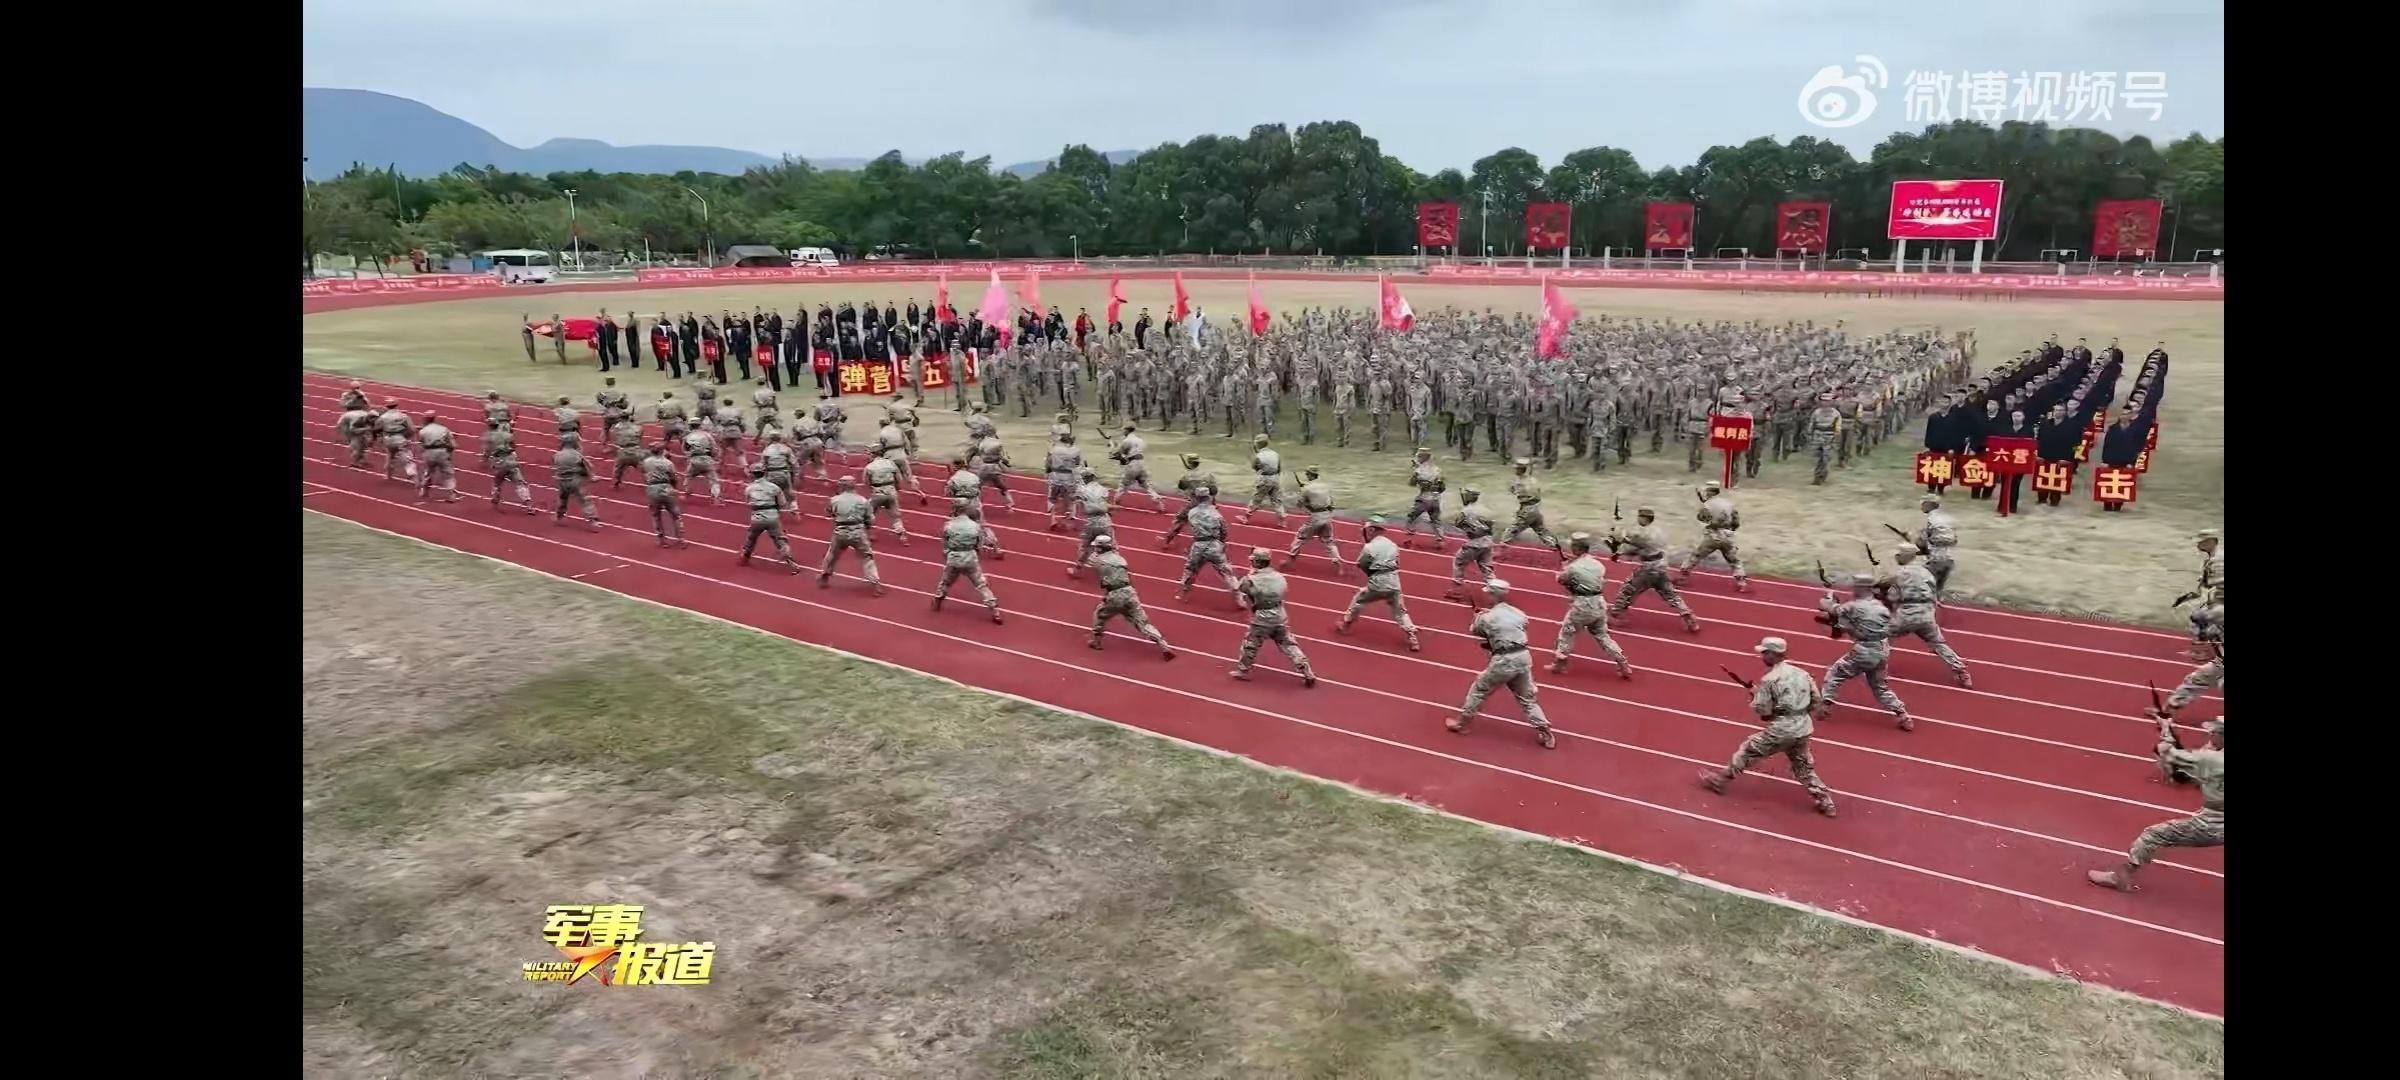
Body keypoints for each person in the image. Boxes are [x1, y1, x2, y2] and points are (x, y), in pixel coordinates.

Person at [1698, 637, 1837, 817]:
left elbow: (1764, 712)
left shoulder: (1770, 679)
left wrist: (1755, 696)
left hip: (1781, 729)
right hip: (1803, 726)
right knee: (1803, 766)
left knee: (1748, 750)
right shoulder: (1802, 673)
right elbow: (1815, 700)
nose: (1762, 656)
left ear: (1774, 654)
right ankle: (1825, 800)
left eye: (1765, 652)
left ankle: (1720, 780)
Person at [2087, 717, 2223, 891]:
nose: (2210, 735)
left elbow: (2167, 753)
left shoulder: (2211, 759)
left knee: (2153, 835)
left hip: (2213, 826)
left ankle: (2120, 877)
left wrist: (2166, 730)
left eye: (2213, 732)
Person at [1448, 579, 1556, 749]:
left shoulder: (1487, 618)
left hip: (1504, 660)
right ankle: (1544, 730)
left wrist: (1478, 617)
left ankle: (1461, 723)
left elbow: (1476, 631)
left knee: (1479, 689)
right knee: (1526, 698)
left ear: (1491, 594)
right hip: (1523, 656)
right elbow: (1517, 628)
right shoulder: (1518, 613)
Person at [1816, 573, 1914, 731]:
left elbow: (1829, 608)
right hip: (1882, 649)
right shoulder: (1879, 606)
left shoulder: (1855, 606)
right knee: (1879, 687)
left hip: (1864, 651)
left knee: (1834, 673)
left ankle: (1825, 705)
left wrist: (1827, 598)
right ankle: (1901, 714)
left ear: (1861, 587)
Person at [1881, 548, 1971, 686]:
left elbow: (1887, 588)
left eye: (1899, 554)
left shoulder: (1903, 573)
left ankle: (1879, 670)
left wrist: (1877, 583)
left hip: (1908, 613)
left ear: (1905, 556)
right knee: (1938, 644)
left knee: (1880, 636)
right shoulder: (1927, 573)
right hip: (1927, 614)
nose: (1896, 556)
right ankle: (1960, 670)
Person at [1230, 548, 1318, 687]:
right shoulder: (1279, 576)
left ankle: (1243, 670)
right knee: (1288, 644)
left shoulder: (1252, 580)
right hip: (1279, 615)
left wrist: (1251, 573)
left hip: (1262, 618)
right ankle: (1305, 669)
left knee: (1250, 644)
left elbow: (1240, 587)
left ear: (1257, 562)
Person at [1606, 507, 1701, 633]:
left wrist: (1617, 540)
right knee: (1671, 595)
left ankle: (1615, 614)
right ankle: (1688, 615)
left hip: (1647, 569)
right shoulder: (1658, 531)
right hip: (1661, 566)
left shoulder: (1643, 534)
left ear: (1645, 519)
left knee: (1627, 590)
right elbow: (1639, 547)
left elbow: (1630, 543)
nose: (1638, 519)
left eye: (1640, 517)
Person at [1551, 533, 1632, 679]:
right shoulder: (1598, 565)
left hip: (1582, 605)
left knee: (1567, 633)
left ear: (1576, 548)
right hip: (1599, 603)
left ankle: (1560, 663)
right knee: (1603, 635)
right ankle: (1621, 661)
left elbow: (1562, 580)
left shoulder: (1573, 567)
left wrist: (1564, 569)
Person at [1336, 517, 1421, 652]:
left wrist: (1370, 572)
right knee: (1400, 610)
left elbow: (1362, 564)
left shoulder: (1369, 547)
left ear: (1371, 530)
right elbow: (1397, 563)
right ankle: (1411, 635)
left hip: (1378, 580)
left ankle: (1346, 623)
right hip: (1394, 580)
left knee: (1359, 599)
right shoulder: (1392, 545)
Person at [1085, 534, 1176, 659]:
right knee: (1143, 624)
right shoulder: (1120, 559)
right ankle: (1163, 644)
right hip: (1129, 592)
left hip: (1114, 595)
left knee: (1099, 615)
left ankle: (1096, 641)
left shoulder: (1098, 560)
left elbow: (1090, 559)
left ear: (1100, 548)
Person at [932, 499, 1005, 624]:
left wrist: (947, 554)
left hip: (954, 557)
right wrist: (974, 553)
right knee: (981, 585)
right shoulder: (975, 526)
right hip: (970, 557)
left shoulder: (949, 525)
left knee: (945, 582)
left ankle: (938, 600)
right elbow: (980, 544)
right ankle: (994, 609)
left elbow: (945, 543)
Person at [1168, 487, 1241, 602]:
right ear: (1208, 497)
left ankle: (1183, 593)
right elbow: (1224, 530)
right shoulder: (1216, 514)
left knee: (1190, 570)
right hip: (1214, 545)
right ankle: (1238, 597)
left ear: (1196, 498)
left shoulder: (1192, 512)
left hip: (1198, 545)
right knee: (1226, 572)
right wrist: (1221, 542)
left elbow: (1192, 527)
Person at [1679, 481, 1748, 592]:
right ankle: (1741, 582)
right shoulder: (1728, 503)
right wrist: (1731, 530)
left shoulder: (1707, 505)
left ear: (1709, 492)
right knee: (1734, 560)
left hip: (1713, 535)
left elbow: (1701, 518)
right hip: (1727, 535)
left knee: (1696, 556)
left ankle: (1683, 576)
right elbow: (1736, 520)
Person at [736, 463, 803, 574]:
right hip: (772, 516)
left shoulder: (749, 488)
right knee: (780, 540)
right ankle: (791, 563)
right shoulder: (774, 487)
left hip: (757, 517)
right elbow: (782, 503)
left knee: (751, 538)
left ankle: (745, 556)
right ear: (765, 472)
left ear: (753, 474)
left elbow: (748, 502)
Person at [1282, 466, 1343, 572]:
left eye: (1307, 474)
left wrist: (1302, 494)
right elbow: (1328, 500)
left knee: (1300, 537)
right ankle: (1337, 561)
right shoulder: (1325, 486)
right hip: (1327, 516)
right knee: (1329, 541)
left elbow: (1300, 504)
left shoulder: (1307, 489)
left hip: (1316, 517)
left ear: (1310, 475)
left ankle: (1290, 559)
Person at [1503, 459, 1566, 560]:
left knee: (1510, 532)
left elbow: (1512, 490)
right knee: (1542, 531)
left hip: (1526, 510)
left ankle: (1500, 552)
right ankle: (1556, 549)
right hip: (1536, 509)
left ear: (1519, 470)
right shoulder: (1533, 480)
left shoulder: (1518, 482)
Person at [1446, 488, 1499, 600]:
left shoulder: (1466, 510)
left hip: (1475, 543)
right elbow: (1491, 524)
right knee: (1486, 568)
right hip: (1488, 541)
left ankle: (1456, 591)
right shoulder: (1485, 509)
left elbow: (1457, 523)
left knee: (1459, 563)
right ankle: (1496, 591)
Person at [1066, 467, 1116, 577]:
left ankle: (1077, 570)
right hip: (1104, 519)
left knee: (1085, 546)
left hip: (1090, 521)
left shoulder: (1081, 489)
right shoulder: (1103, 489)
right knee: (1111, 545)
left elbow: (1072, 497)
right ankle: (1115, 569)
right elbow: (1106, 504)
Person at [1108, 422, 1164, 511]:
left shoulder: (1126, 441)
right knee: (1146, 485)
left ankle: (1115, 503)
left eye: (1124, 430)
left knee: (1122, 485)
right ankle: (1156, 498)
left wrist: (1112, 446)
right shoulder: (1140, 440)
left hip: (1132, 464)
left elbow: (1116, 454)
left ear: (1127, 430)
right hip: (1142, 463)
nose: (1123, 432)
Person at [484, 417, 536, 514]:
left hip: (499, 462)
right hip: (511, 460)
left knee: (497, 482)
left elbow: (487, 452)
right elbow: (513, 446)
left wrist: (486, 458)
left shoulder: (489, 437)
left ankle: (495, 498)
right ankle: (529, 505)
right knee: (520, 483)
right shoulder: (507, 435)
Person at [861, 453, 913, 545]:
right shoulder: (891, 463)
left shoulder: (869, 467)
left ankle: (868, 534)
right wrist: (896, 488)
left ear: (873, 455)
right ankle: (901, 532)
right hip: (891, 492)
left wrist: (872, 490)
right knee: (895, 516)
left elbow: (866, 482)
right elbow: (899, 478)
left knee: (868, 513)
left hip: (877, 493)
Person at [1913, 496, 1959, 598]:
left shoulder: (1931, 519)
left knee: (1922, 584)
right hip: (1950, 557)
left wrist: (1919, 545)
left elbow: (1923, 541)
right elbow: (1954, 539)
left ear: (1928, 505)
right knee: (1939, 589)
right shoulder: (1947, 518)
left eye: (1923, 503)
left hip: (1937, 558)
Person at [641, 445, 686, 547]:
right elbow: (674, 477)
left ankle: (661, 539)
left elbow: (644, 473)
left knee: (656, 516)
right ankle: (681, 539)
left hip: (652, 488)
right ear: (662, 451)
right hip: (666, 488)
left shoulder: (646, 462)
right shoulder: (668, 463)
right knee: (676, 515)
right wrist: (675, 489)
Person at [1400, 448, 1446, 549]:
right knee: (1436, 520)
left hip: (1423, 498)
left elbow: (1411, 483)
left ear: (1424, 457)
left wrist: (1415, 471)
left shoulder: (1418, 470)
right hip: (1435, 498)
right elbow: (1442, 487)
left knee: (1411, 517)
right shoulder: (1437, 469)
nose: (1418, 458)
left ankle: (1409, 539)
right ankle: (1440, 540)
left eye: (1419, 456)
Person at [550, 442, 602, 531]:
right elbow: (586, 465)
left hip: (562, 481)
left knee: (563, 499)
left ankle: (558, 516)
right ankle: (593, 521)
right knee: (584, 501)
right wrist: (591, 476)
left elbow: (555, 466)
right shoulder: (576, 454)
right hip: (575, 481)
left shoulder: (556, 455)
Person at [1244, 434, 1287, 527]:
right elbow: (1279, 468)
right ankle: (1282, 519)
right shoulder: (1275, 454)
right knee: (1276, 500)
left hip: (1265, 479)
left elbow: (1254, 467)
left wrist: (1254, 454)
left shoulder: (1259, 456)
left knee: (1257, 498)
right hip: (1275, 478)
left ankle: (1247, 516)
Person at [415, 412, 459, 502]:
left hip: (429, 452)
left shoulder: (423, 431)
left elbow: (422, 445)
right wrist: (449, 452)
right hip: (442, 451)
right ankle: (451, 494)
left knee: (429, 472)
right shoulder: (444, 429)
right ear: (435, 418)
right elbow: (453, 445)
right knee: (448, 474)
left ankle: (424, 490)